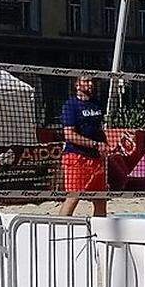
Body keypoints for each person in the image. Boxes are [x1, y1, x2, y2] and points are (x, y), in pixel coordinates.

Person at [59, 75, 109, 217]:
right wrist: (95, 144)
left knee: (100, 199)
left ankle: (100, 233)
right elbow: (69, 135)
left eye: (91, 81)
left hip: (95, 159)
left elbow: (98, 130)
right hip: (76, 157)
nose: (90, 84)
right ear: (77, 85)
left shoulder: (96, 104)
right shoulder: (71, 105)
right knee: (73, 197)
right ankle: (60, 229)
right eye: (86, 81)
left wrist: (106, 144)